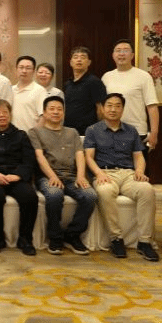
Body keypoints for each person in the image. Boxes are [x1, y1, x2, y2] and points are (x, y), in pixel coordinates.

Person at [84, 93, 159, 262]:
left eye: (117, 106)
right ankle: (116, 239)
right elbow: (88, 157)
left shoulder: (131, 130)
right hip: (105, 173)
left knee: (147, 190)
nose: (113, 109)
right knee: (105, 192)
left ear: (123, 109)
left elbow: (138, 156)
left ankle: (144, 242)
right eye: (109, 105)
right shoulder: (93, 130)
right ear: (103, 109)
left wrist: (140, 171)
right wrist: (99, 173)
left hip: (128, 174)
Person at [28, 96, 97, 255]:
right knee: (54, 195)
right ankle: (55, 237)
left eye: (59, 109)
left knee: (90, 195)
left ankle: (72, 235)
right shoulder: (35, 132)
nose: (56, 112)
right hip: (47, 177)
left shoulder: (72, 132)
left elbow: (80, 155)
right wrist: (53, 176)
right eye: (52, 109)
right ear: (44, 112)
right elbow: (39, 157)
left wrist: (81, 176)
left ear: (64, 113)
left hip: (72, 177)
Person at [0, 99, 38, 255]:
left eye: (5, 112)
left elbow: (29, 160)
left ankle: (25, 240)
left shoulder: (21, 135)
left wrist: (17, 175)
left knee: (30, 196)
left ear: (10, 114)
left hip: (15, 176)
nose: (1, 115)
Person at [101, 39, 159, 154]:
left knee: (139, 165)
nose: (121, 54)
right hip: (111, 131)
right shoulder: (106, 77)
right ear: (113, 55)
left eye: (125, 50)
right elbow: (102, 106)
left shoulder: (143, 76)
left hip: (137, 131)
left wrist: (154, 133)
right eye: (118, 51)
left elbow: (152, 106)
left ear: (132, 55)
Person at [63, 46, 107, 136]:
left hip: (88, 132)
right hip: (69, 131)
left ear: (89, 62)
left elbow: (101, 110)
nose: (79, 60)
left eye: (83, 57)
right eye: (75, 57)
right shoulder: (68, 84)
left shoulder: (94, 82)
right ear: (71, 62)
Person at [12, 55, 47, 132]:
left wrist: (34, 134)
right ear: (16, 70)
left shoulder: (40, 91)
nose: (24, 71)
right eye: (21, 67)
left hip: (30, 136)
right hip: (12, 136)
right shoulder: (11, 90)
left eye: (28, 68)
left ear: (34, 71)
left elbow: (43, 117)